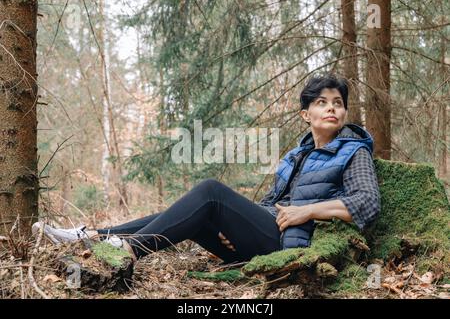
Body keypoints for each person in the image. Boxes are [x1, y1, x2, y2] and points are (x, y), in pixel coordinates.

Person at [33, 73, 380, 264]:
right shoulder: (295, 156)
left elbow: (367, 203)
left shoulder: (353, 151)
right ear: (306, 115)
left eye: (338, 103)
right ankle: (93, 236)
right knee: (186, 212)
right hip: (265, 238)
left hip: (294, 248)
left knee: (210, 191)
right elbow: (273, 204)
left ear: (345, 112)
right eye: (322, 103)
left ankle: (127, 250)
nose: (332, 109)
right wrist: (237, 225)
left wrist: (307, 212)